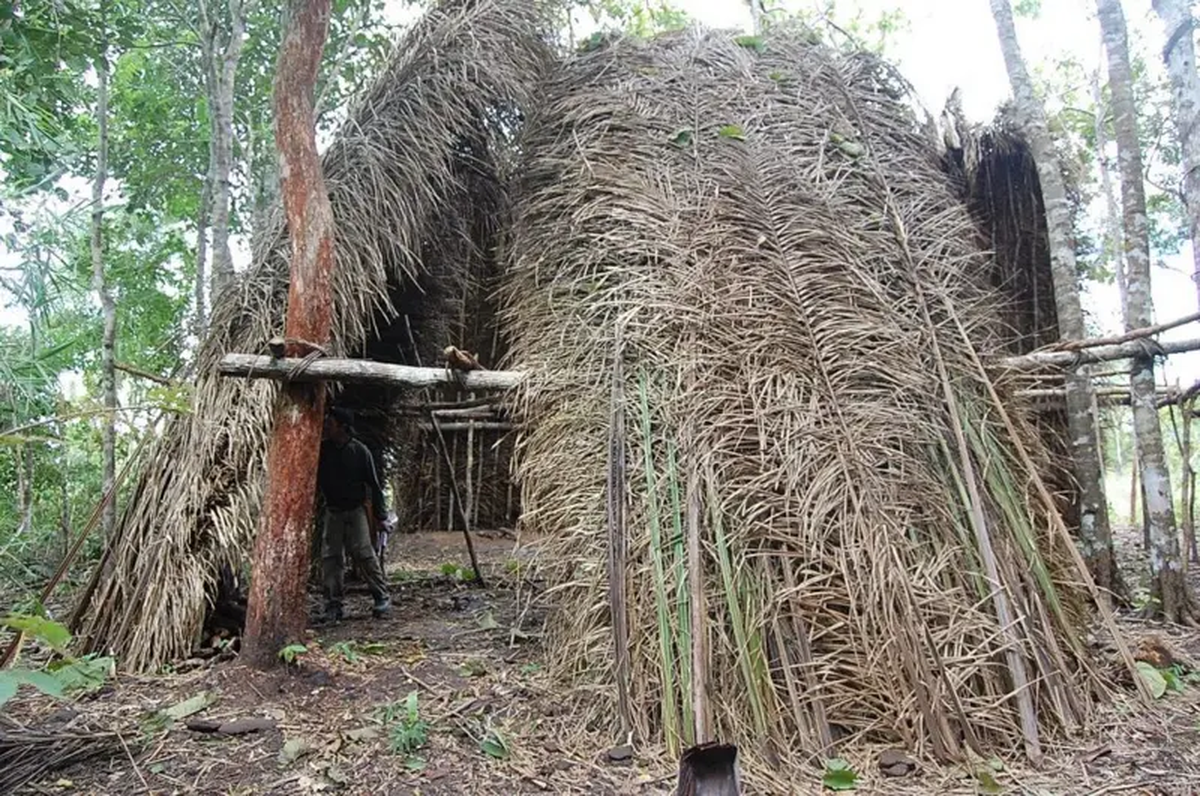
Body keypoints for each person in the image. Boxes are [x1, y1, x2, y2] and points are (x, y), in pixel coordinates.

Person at [316, 407, 391, 622]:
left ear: (342, 427)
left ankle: (381, 596)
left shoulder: (359, 452)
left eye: (330, 423)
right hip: (333, 511)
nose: (326, 427)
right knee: (331, 557)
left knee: (364, 552)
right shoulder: (323, 451)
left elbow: (374, 485)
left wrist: (381, 516)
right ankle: (333, 604)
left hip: (355, 510)